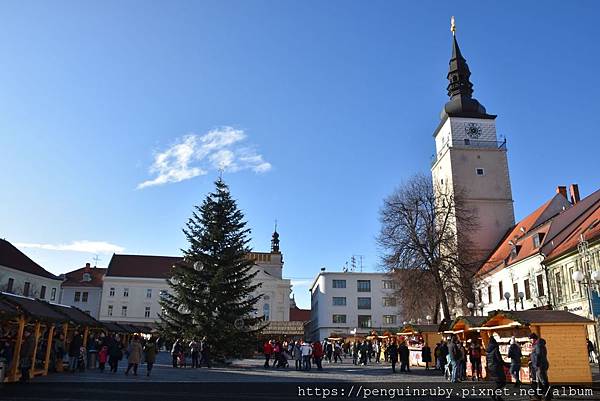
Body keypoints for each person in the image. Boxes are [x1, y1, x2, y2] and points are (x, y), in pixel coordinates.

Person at [529, 333, 550, 401]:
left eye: (531, 339)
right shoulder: (538, 345)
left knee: (543, 381)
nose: (530, 341)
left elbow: (538, 355)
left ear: (534, 339)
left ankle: (547, 396)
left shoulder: (538, 345)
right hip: (540, 365)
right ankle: (540, 396)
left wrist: (536, 364)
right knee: (541, 382)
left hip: (540, 366)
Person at [486, 336, 506, 401]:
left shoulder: (487, 350)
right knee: (503, 382)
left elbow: (487, 360)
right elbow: (499, 359)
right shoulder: (495, 348)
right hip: (497, 367)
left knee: (498, 382)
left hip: (491, 367)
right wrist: (506, 364)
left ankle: (497, 396)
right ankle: (494, 392)